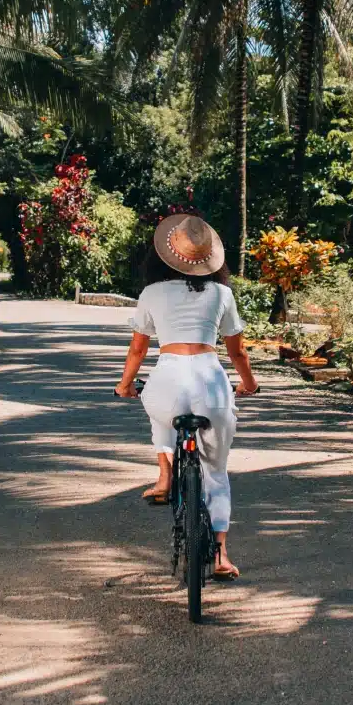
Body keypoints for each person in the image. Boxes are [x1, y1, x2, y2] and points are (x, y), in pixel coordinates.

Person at [115, 214, 258, 579]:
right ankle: (222, 554)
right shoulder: (223, 294)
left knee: (160, 411)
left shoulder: (151, 293)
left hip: (167, 379)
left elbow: (137, 352)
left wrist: (125, 385)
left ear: (165, 255)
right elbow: (238, 353)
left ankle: (164, 475)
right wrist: (249, 385)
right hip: (211, 383)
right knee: (216, 471)